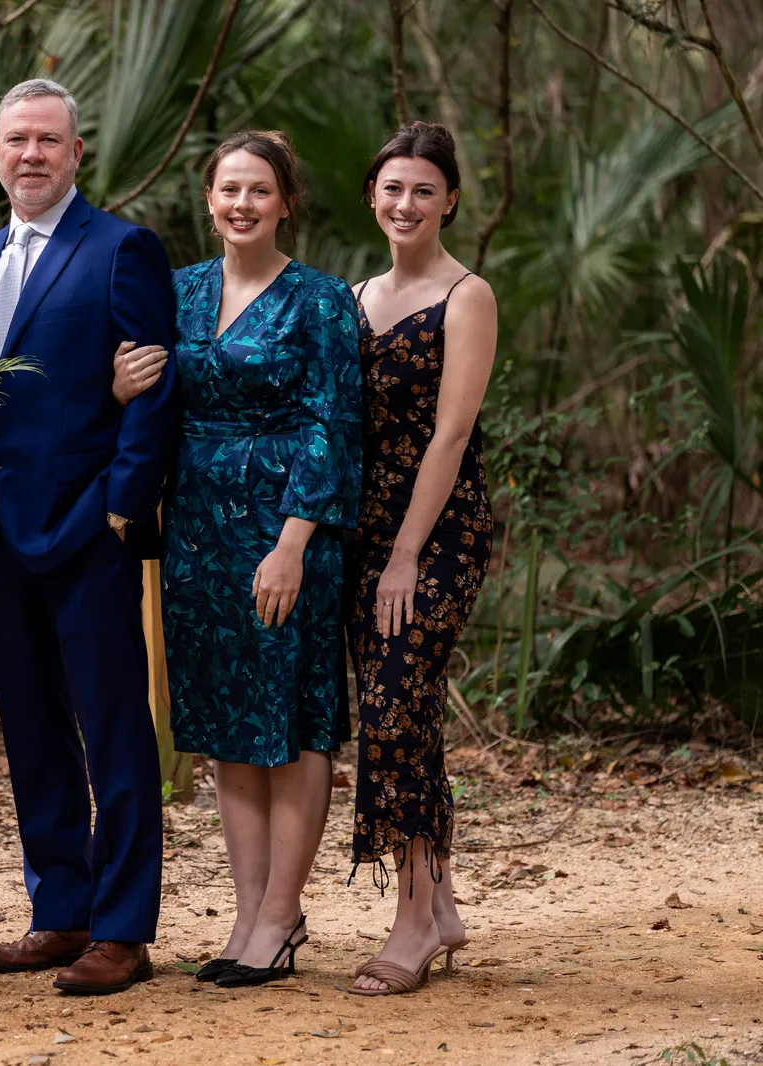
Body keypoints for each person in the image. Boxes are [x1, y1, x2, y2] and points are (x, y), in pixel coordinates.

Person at [121, 130, 362, 990]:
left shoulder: (322, 300)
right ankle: (247, 908)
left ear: (286, 202)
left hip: (282, 528)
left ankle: (280, 916)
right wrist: (122, 387)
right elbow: (147, 395)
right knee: (228, 727)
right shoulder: (177, 291)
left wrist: (294, 542)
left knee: (290, 721)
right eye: (229, 189)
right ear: (209, 197)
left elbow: (334, 427)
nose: (242, 205)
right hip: (195, 531)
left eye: (259, 191)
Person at [0, 79, 178, 996]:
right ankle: (61, 912)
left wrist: (121, 506)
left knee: (114, 727)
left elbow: (155, 382)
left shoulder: (120, 248)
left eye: (50, 140)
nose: (33, 154)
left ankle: (123, 930)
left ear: (77, 152)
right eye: (17, 140)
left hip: (88, 527)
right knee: (31, 729)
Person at [344, 121, 496, 996]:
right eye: (393, 188)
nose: (406, 204)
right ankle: (436, 901)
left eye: (424, 191)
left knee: (398, 703)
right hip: (364, 531)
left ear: (449, 203)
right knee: (405, 708)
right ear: (374, 196)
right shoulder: (357, 294)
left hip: (437, 534)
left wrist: (406, 555)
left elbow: (451, 435)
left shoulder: (465, 294)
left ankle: (410, 922)